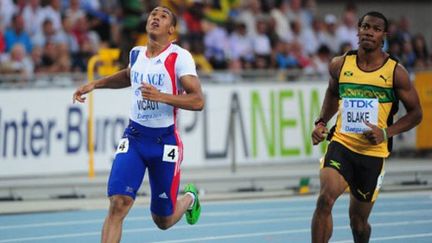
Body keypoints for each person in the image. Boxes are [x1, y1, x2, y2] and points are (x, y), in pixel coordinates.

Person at [72, 6, 204, 242]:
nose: (156, 17)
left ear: (171, 29)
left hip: (164, 144)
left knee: (162, 220)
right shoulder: (136, 54)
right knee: (118, 204)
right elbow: (128, 75)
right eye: (153, 14)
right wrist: (95, 84)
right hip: (134, 138)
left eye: (163, 16)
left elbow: (197, 100)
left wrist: (161, 96)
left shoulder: (179, 57)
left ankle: (190, 198)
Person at [311, 11, 422, 243]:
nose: (369, 32)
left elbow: (416, 114)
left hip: (372, 154)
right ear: (358, 30)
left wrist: (385, 133)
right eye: (365, 26)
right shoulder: (340, 64)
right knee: (325, 199)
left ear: (384, 35)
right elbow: (332, 93)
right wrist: (321, 122)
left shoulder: (395, 73)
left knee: (358, 223)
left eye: (376, 28)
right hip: (341, 143)